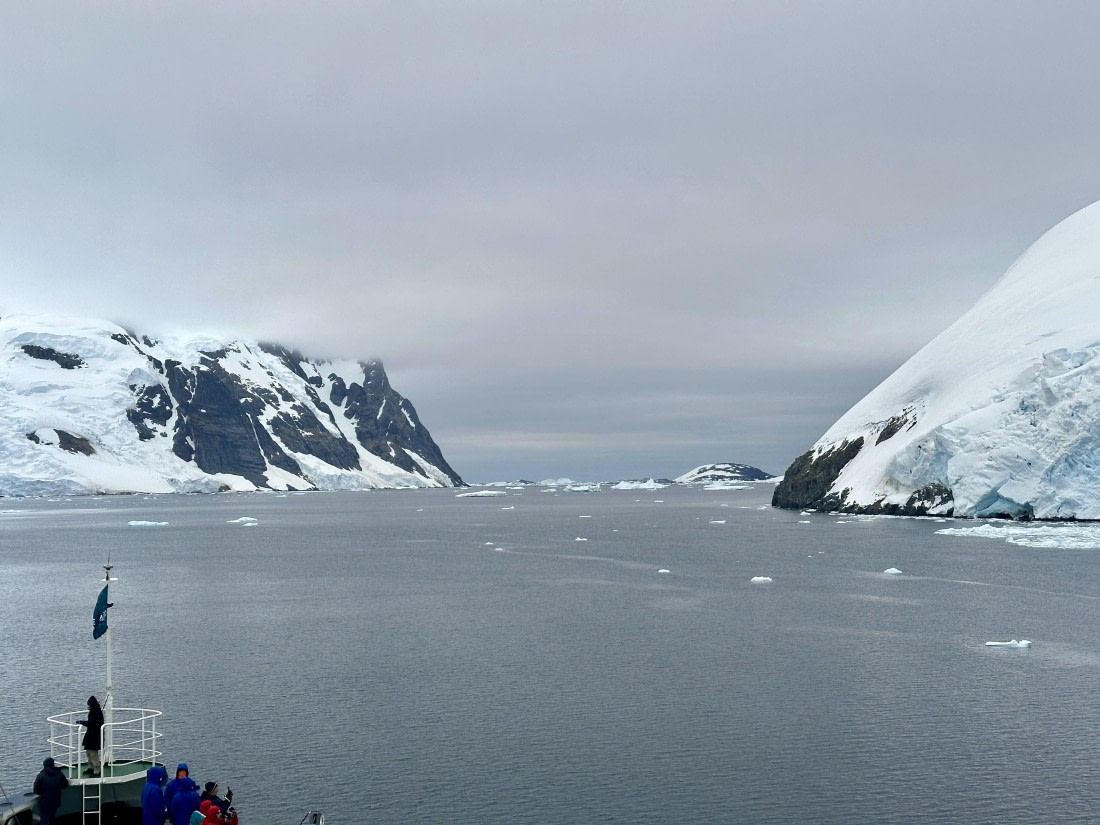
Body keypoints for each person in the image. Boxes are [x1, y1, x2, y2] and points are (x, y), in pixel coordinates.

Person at [33, 757, 69, 825]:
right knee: (51, 819)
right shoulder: (59, 774)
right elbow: (65, 784)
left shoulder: (41, 776)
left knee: (44, 820)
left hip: (44, 802)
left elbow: (36, 790)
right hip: (55, 802)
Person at [77, 695, 104, 776]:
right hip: (91, 736)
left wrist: (81, 722)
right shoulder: (94, 711)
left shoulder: (96, 712)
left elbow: (92, 723)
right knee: (88, 752)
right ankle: (91, 767)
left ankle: (97, 770)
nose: (88, 707)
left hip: (94, 737)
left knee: (93, 754)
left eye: (89, 705)